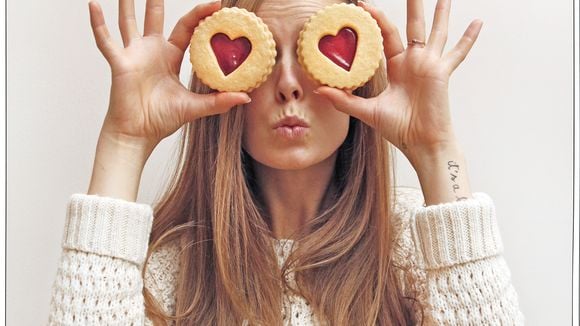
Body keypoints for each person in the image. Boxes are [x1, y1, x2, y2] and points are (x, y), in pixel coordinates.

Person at [47, 0, 525, 324]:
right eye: (267, 54)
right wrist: (124, 141)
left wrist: (437, 149)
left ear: (359, 78)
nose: (290, 83)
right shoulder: (173, 269)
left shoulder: (413, 251)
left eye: (312, 52)